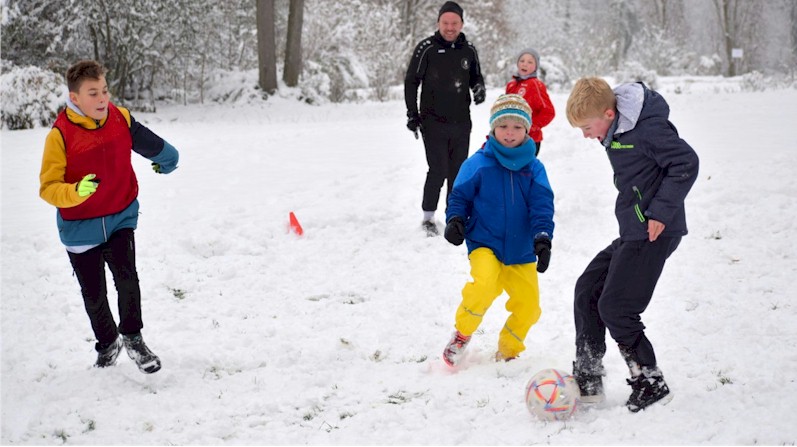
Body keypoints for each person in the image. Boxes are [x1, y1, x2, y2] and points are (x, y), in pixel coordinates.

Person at [564, 77, 699, 412]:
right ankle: (589, 374)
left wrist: (660, 213)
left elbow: (686, 162)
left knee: (617, 307)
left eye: (586, 126)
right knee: (588, 288)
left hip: (655, 232)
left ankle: (649, 381)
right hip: (633, 230)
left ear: (609, 114)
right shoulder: (618, 130)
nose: (585, 134)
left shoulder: (646, 129)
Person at [39, 60, 180, 374]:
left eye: (104, 90)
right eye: (93, 93)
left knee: (127, 278)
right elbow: (48, 188)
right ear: (75, 98)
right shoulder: (60, 135)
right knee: (94, 294)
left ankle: (133, 337)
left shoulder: (120, 117)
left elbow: (150, 144)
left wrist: (169, 158)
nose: (102, 98)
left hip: (120, 216)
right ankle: (108, 342)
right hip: (79, 230)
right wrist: (75, 192)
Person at [441, 94, 554, 366]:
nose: (509, 132)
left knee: (529, 306)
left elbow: (542, 206)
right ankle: (462, 334)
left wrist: (542, 238)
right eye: (503, 126)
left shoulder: (534, 168)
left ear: (527, 130)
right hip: (485, 242)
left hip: (522, 249)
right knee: (483, 285)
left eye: (517, 126)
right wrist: (455, 219)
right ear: (493, 128)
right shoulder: (477, 163)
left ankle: (508, 350)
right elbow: (459, 197)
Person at [404, 1, 486, 237]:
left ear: (461, 23)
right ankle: (428, 217)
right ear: (438, 23)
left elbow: (475, 77)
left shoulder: (468, 50)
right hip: (432, 122)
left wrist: (479, 89)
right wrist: (412, 114)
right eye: (445, 23)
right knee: (438, 169)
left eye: (455, 23)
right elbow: (411, 81)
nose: (450, 28)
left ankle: (455, 217)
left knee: (458, 171)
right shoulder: (426, 49)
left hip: (461, 122)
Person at [505, 48, 555, 156]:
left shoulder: (536, 85)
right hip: (510, 138)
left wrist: (531, 126)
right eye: (522, 61)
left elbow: (549, 112)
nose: (525, 64)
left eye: (530, 62)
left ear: (536, 66)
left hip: (530, 140)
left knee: (524, 172)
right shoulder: (511, 85)